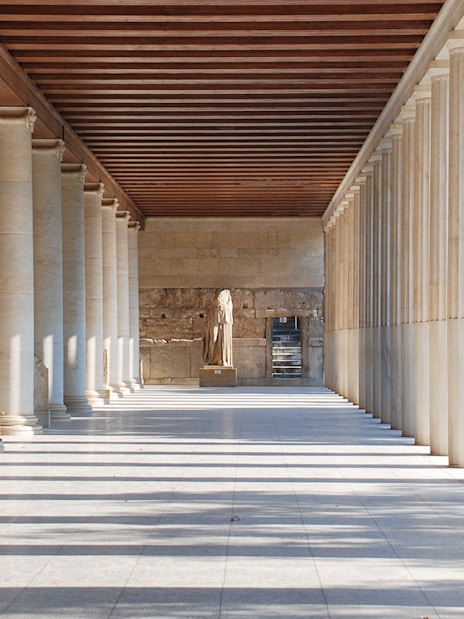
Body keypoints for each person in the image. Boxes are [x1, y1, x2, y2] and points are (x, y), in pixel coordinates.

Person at [203, 289, 233, 366]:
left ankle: (222, 359)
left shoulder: (227, 293)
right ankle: (211, 358)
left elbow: (230, 307)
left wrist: (223, 307)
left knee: (223, 339)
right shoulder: (214, 294)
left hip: (223, 317)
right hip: (214, 316)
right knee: (213, 337)